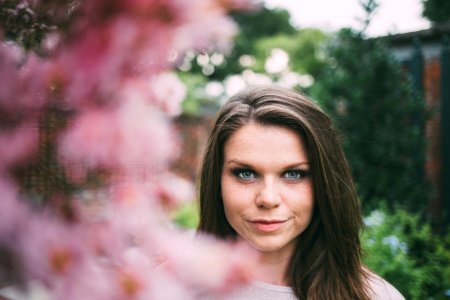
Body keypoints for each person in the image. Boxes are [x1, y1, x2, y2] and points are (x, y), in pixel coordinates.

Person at [197, 85, 405, 300]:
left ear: (324, 184)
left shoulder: (376, 296)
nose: (268, 198)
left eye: (293, 174)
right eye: (246, 173)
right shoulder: (170, 288)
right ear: (217, 181)